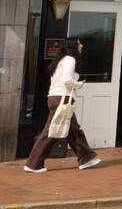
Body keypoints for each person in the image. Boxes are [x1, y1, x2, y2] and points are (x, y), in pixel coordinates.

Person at [23, 38, 101, 172]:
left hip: (56, 98)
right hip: (62, 99)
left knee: (73, 130)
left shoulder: (60, 60)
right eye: (79, 43)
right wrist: (79, 84)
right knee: (50, 132)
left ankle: (86, 158)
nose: (81, 45)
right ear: (73, 46)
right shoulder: (70, 59)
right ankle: (33, 164)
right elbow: (66, 80)